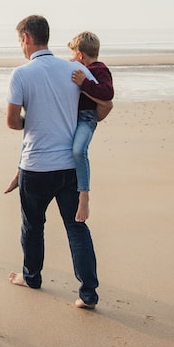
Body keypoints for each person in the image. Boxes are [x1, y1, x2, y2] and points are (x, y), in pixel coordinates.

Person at [4, 15, 100, 309]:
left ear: (27, 39)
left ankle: (32, 277)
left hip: (35, 167)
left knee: (33, 226)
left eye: (20, 40)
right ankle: (88, 294)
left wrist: (30, 120)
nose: (21, 46)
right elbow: (101, 101)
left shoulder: (21, 74)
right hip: (68, 166)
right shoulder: (74, 68)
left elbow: (11, 121)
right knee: (76, 228)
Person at [67, 31, 115, 215]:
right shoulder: (75, 69)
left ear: (80, 55)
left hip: (86, 118)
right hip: (70, 117)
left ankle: (84, 195)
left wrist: (84, 83)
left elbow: (107, 93)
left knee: (79, 150)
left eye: (73, 55)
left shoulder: (100, 70)